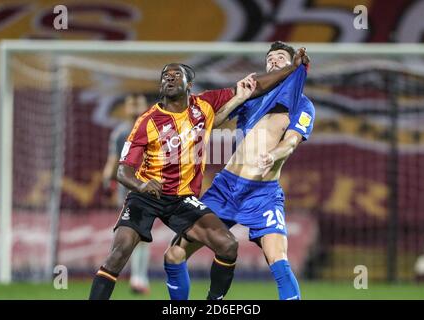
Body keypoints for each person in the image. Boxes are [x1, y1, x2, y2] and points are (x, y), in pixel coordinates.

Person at [89, 50, 307, 300]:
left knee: (228, 245)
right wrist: (140, 185)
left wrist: (293, 69)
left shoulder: (204, 104)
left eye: (175, 74)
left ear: (188, 84)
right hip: (146, 195)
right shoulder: (147, 122)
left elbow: (254, 87)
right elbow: (122, 171)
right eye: (164, 76)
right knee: (121, 252)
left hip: (183, 199)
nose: (168, 78)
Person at [163, 41, 314, 300]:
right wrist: (239, 99)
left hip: (262, 194)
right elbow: (212, 122)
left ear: (293, 66)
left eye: (280, 57)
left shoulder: (302, 104)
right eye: (270, 58)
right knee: (174, 254)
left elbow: (290, 142)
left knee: (279, 261)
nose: (274, 61)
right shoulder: (253, 95)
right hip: (226, 189)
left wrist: (274, 155)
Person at [102, 93, 151, 294]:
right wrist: (108, 183)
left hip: (150, 188)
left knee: (141, 235)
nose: (134, 107)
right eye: (131, 103)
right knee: (135, 235)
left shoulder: (153, 129)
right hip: (129, 191)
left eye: (137, 103)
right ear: (125, 108)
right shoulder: (120, 133)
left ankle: (138, 277)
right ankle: (138, 278)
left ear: (145, 105)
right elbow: (112, 162)